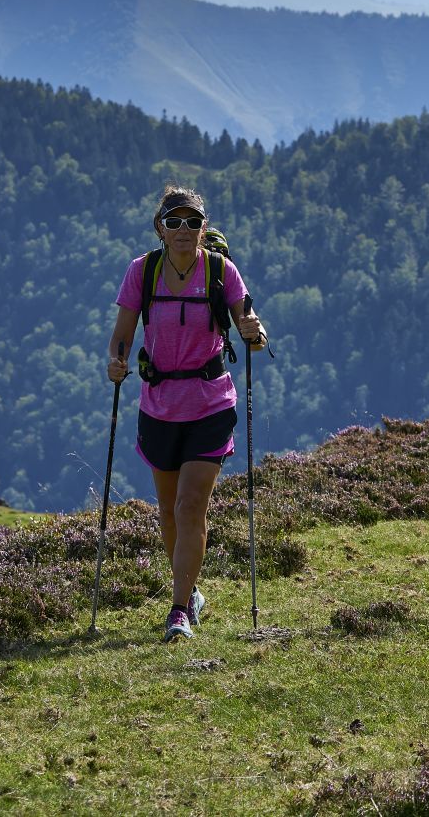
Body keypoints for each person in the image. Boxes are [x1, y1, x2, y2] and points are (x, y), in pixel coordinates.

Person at [107, 186, 265, 641]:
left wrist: (254, 332)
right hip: (159, 405)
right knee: (169, 511)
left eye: (192, 222)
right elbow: (121, 335)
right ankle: (191, 591)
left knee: (190, 504)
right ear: (160, 227)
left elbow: (253, 333)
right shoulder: (142, 271)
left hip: (210, 403)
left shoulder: (221, 271)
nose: (183, 229)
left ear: (203, 227)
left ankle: (178, 611)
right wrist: (117, 361)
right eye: (174, 221)